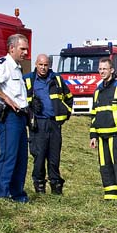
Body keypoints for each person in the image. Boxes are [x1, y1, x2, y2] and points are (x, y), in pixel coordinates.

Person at [0, 34, 30, 203]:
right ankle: (1, 195)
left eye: (26, 49)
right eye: (22, 49)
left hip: (21, 117)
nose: (26, 52)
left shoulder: (17, 67)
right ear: (11, 48)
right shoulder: (3, 64)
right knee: (9, 156)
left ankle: (17, 194)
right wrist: (5, 98)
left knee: (21, 157)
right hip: (9, 117)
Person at [23, 54, 73, 194]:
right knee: (39, 156)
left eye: (46, 65)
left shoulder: (56, 79)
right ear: (36, 65)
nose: (43, 68)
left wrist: (65, 114)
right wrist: (29, 108)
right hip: (37, 124)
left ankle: (56, 187)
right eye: (41, 65)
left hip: (54, 124)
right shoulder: (28, 80)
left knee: (54, 157)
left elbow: (69, 98)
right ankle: (39, 187)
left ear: (49, 65)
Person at [89, 57, 117, 201]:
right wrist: (93, 135)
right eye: (100, 69)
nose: (102, 71)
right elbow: (94, 115)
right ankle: (110, 197)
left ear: (112, 70)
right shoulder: (98, 91)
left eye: (105, 69)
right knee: (105, 167)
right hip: (102, 137)